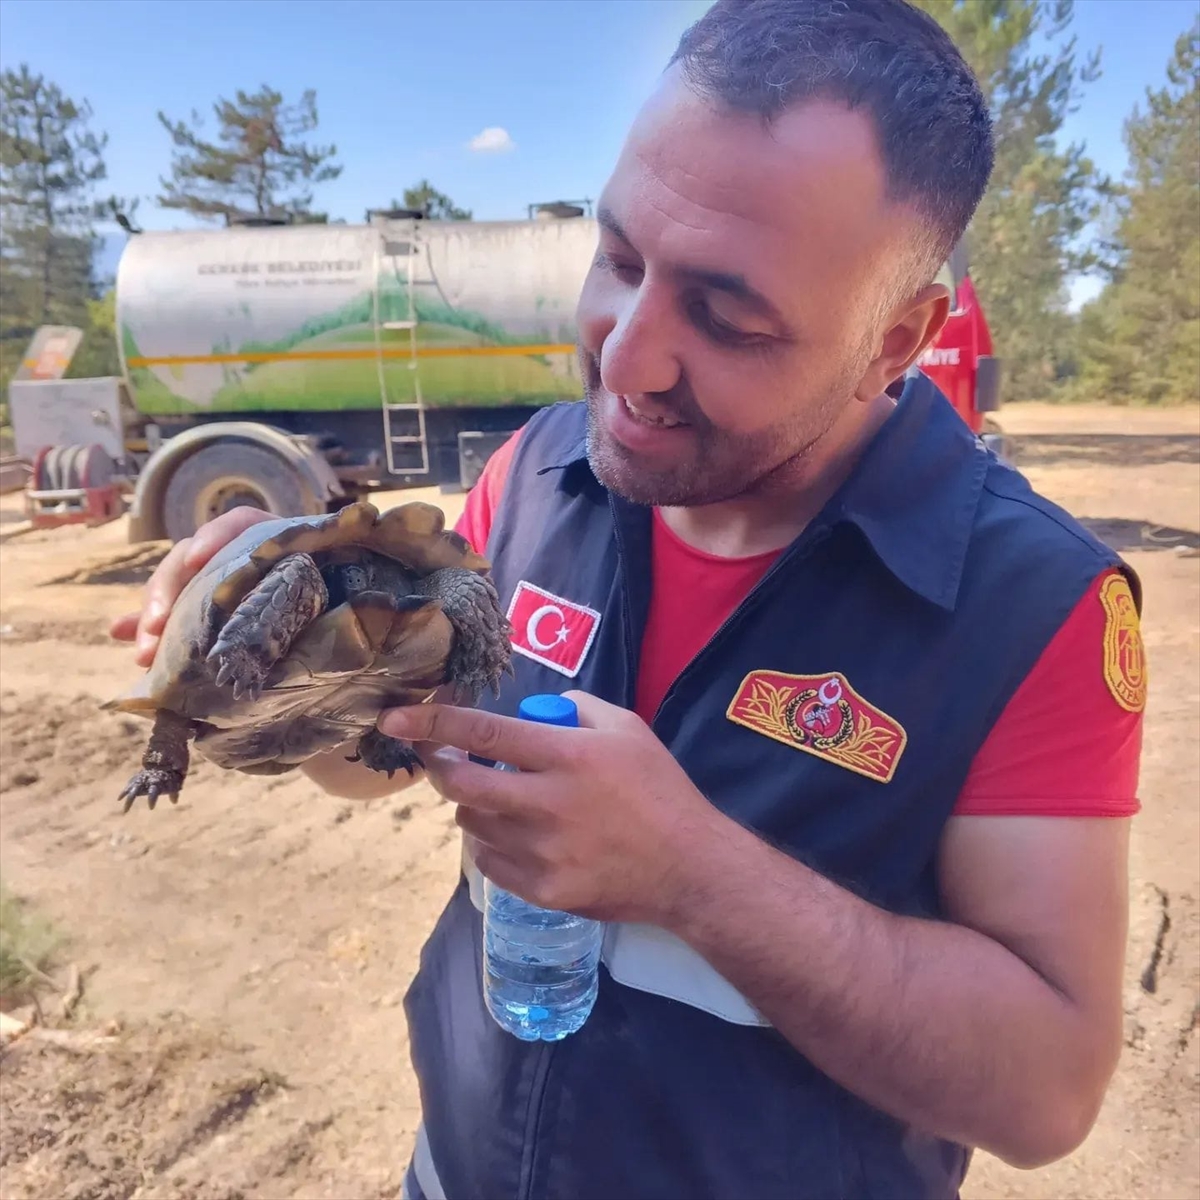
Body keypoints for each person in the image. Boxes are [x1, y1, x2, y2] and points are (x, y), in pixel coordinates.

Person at [112, 1, 1147, 1196]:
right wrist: (293, 673)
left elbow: (1045, 1089)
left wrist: (697, 875)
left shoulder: (1033, 606)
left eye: (729, 318)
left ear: (895, 338)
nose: (625, 356)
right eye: (617, 259)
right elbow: (387, 755)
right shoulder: (540, 473)